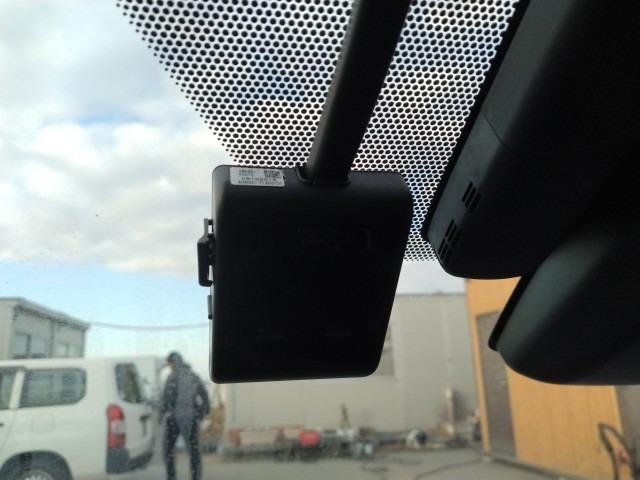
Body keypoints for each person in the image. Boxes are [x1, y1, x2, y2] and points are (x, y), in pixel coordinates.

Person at [160, 352, 210, 480]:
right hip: (191, 419)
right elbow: (204, 395)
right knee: (194, 452)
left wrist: (161, 414)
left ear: (173, 363)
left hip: (174, 419)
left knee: (168, 451)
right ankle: (195, 477)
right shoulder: (193, 376)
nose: (169, 367)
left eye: (170, 364)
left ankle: (172, 477)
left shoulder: (172, 377)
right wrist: (201, 413)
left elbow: (165, 398)